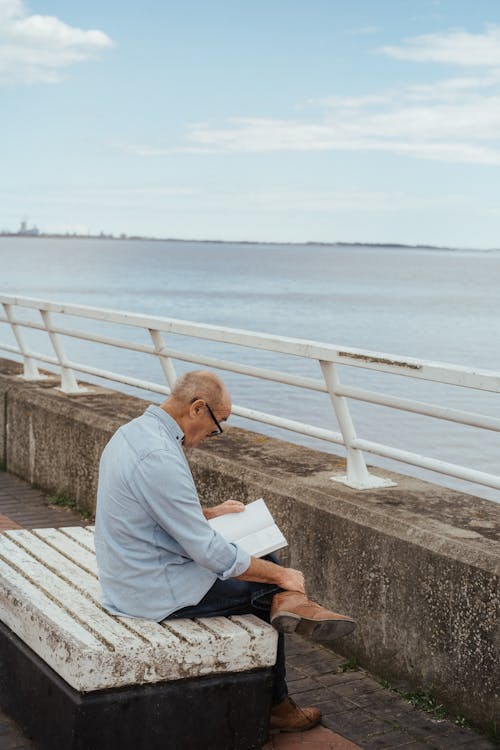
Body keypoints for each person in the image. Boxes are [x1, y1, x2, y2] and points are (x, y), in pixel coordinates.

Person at [95, 370, 356, 733]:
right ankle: (278, 701)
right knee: (269, 585)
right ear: (198, 408)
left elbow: (149, 511)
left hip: (131, 570)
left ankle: (294, 605)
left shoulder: (133, 434)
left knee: (262, 560)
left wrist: (208, 514)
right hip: (148, 590)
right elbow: (210, 554)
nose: (214, 436)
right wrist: (282, 577)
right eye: (219, 425)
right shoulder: (159, 455)